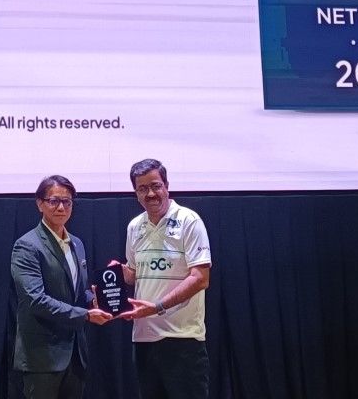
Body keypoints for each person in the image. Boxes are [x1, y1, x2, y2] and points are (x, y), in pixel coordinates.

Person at [11, 175, 113, 398]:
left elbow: (79, 291)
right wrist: (86, 315)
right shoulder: (27, 246)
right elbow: (35, 300)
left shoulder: (77, 243)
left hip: (75, 355)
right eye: (54, 201)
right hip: (42, 356)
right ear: (40, 204)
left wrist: (95, 300)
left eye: (67, 202)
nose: (61, 207)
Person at [118, 159, 212, 399]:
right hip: (144, 338)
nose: (150, 194)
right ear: (136, 193)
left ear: (166, 186)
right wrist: (114, 277)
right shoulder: (134, 226)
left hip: (182, 338)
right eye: (142, 188)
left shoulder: (189, 220)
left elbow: (200, 278)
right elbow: (134, 275)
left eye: (155, 186)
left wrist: (157, 307)